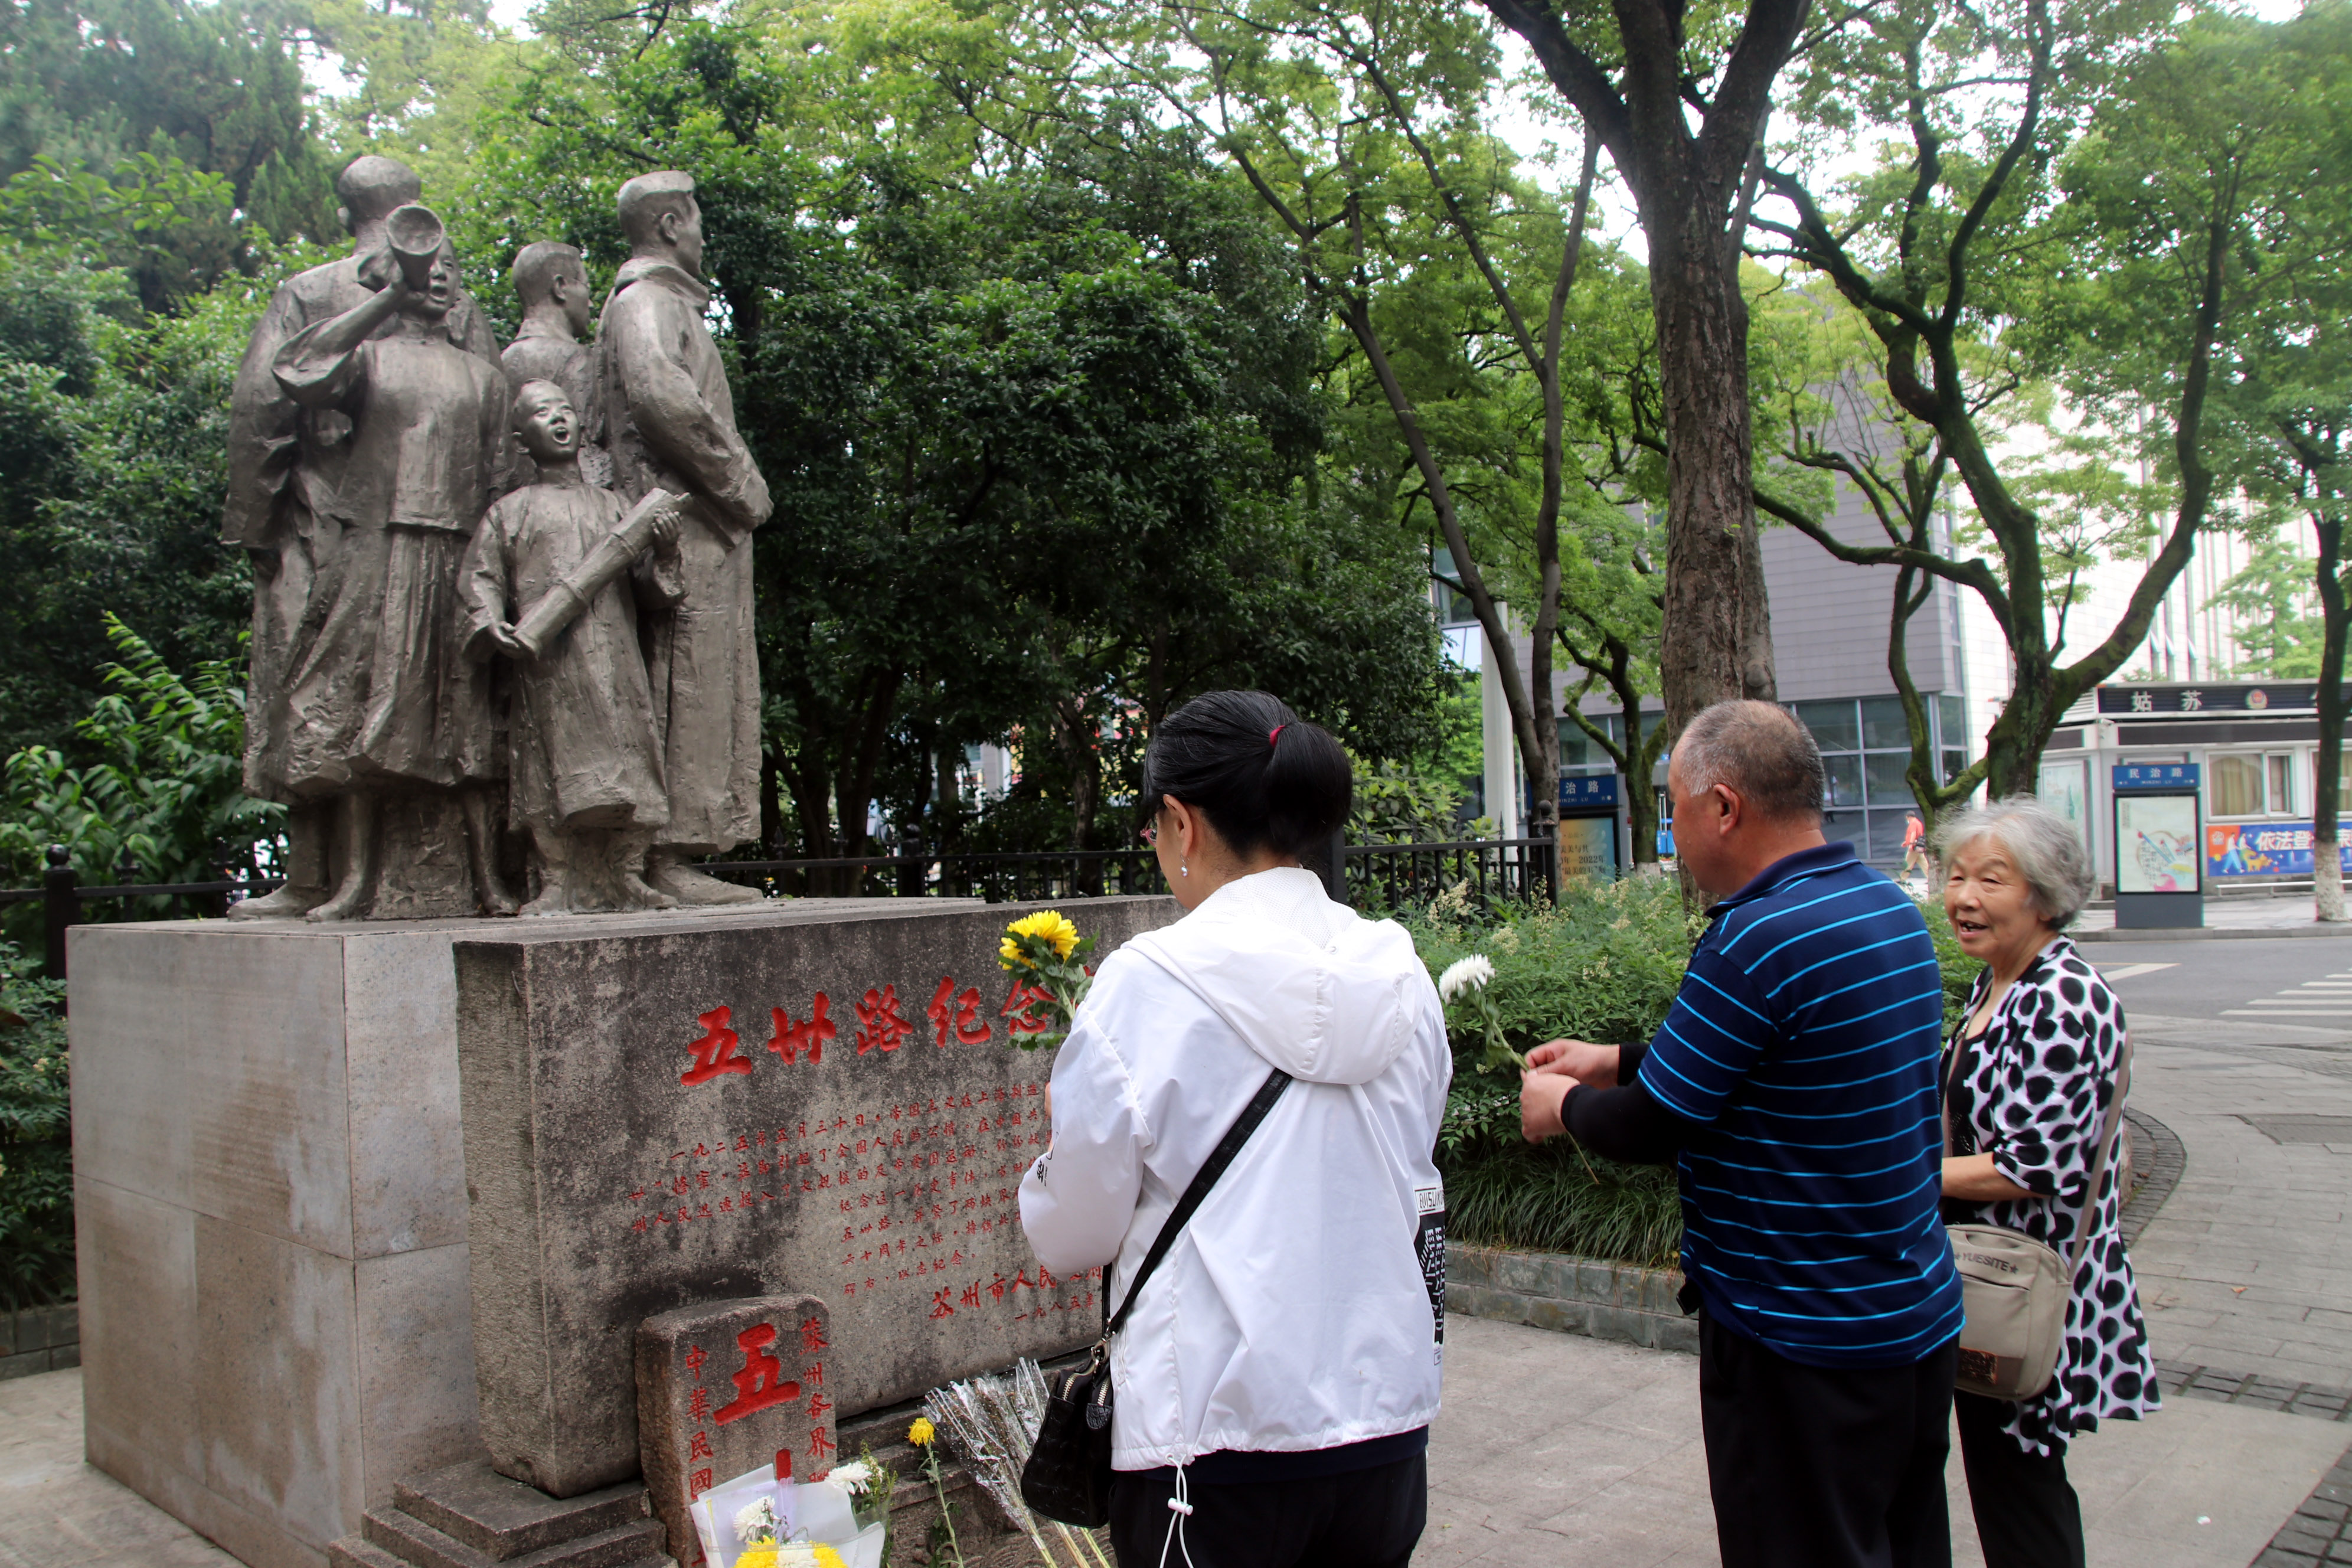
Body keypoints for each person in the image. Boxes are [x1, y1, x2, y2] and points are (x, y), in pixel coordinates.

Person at [1519, 699, 1963, 1568]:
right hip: (1910, 1321)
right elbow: (1786, 1059)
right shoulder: (1885, 909)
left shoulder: (1756, 936)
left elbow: (1657, 1122)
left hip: (1799, 1340)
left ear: (1724, 807)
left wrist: (1560, 1104)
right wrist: (1614, 1058)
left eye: (1675, 809)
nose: (1673, 834)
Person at [1018, 691, 1451, 1568]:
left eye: (1153, 824)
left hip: (1211, 1442)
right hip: (1383, 1427)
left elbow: (1073, 1236)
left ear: (1181, 822)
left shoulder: (1147, 985)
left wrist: (1055, 1158)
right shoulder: (1400, 974)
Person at [223, 154, 504, 918]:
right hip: (358, 517)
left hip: (348, 518)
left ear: (347, 213)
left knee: (333, 691)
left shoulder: (312, 291)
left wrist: (259, 524)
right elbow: (282, 385)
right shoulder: (408, 304)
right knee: (341, 693)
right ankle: (335, 879)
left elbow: (259, 415)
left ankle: (316, 875)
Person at [1935, 799, 2158, 1568]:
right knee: (2008, 1482)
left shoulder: (2060, 996)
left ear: (2045, 893)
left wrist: (1898, 1178)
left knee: (2023, 1492)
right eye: (1956, 876)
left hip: (2025, 1284)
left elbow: (2032, 1164)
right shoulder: (1999, 983)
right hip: (1987, 1274)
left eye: (1991, 880)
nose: (1964, 897)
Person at [595, 170, 772, 905]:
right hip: (682, 522)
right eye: (695, 218)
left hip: (696, 521)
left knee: (699, 674)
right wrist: (742, 484)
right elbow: (661, 396)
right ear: (671, 224)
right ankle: (662, 852)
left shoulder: (665, 302)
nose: (702, 234)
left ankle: (673, 852)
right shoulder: (648, 301)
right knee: (683, 675)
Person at [461, 381, 681, 914]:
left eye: (565, 410)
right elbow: (481, 578)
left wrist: (666, 551)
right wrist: (490, 623)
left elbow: (652, 592)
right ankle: (557, 880)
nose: (559, 419)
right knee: (546, 762)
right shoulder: (510, 512)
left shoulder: (615, 507)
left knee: (631, 757)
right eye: (543, 413)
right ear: (521, 439)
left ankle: (627, 875)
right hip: (549, 662)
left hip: (616, 657)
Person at [503, 241, 611, 488]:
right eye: (585, 286)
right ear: (560, 288)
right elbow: (590, 454)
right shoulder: (579, 360)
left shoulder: (501, 362)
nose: (591, 303)